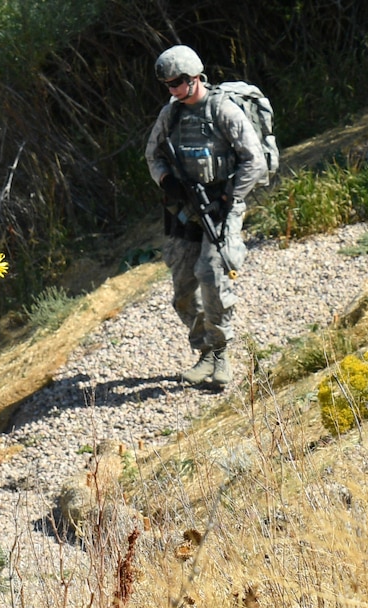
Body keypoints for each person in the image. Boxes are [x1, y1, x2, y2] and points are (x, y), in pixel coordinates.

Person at [145, 45, 267, 389]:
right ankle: (204, 351)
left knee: (212, 274)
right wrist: (168, 182)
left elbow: (253, 160)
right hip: (184, 209)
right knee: (183, 286)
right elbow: (153, 154)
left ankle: (222, 352)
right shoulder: (171, 115)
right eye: (167, 85)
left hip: (221, 208)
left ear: (193, 78)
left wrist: (231, 195)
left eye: (176, 84)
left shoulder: (223, 111)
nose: (171, 91)